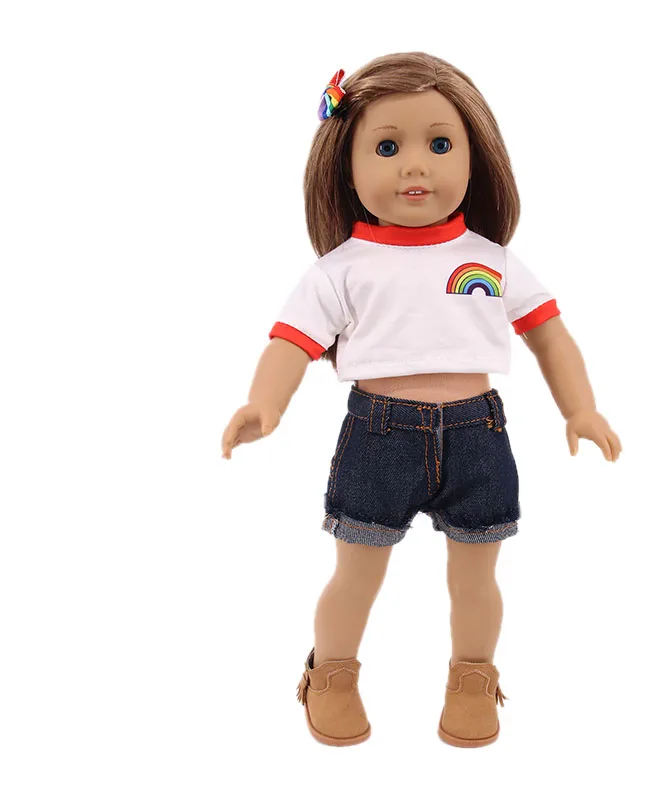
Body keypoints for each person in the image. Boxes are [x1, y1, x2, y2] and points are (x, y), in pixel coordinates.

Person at [221, 52, 622, 748]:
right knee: (357, 574)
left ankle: (473, 677)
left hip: (477, 434)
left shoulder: (490, 260)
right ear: (346, 166)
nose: (415, 165)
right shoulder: (341, 270)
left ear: (475, 158)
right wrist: (266, 404)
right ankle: (331, 674)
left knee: (477, 578)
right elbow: (291, 341)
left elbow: (549, 335)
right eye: (387, 147)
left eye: (440, 144)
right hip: (379, 436)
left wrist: (579, 409)